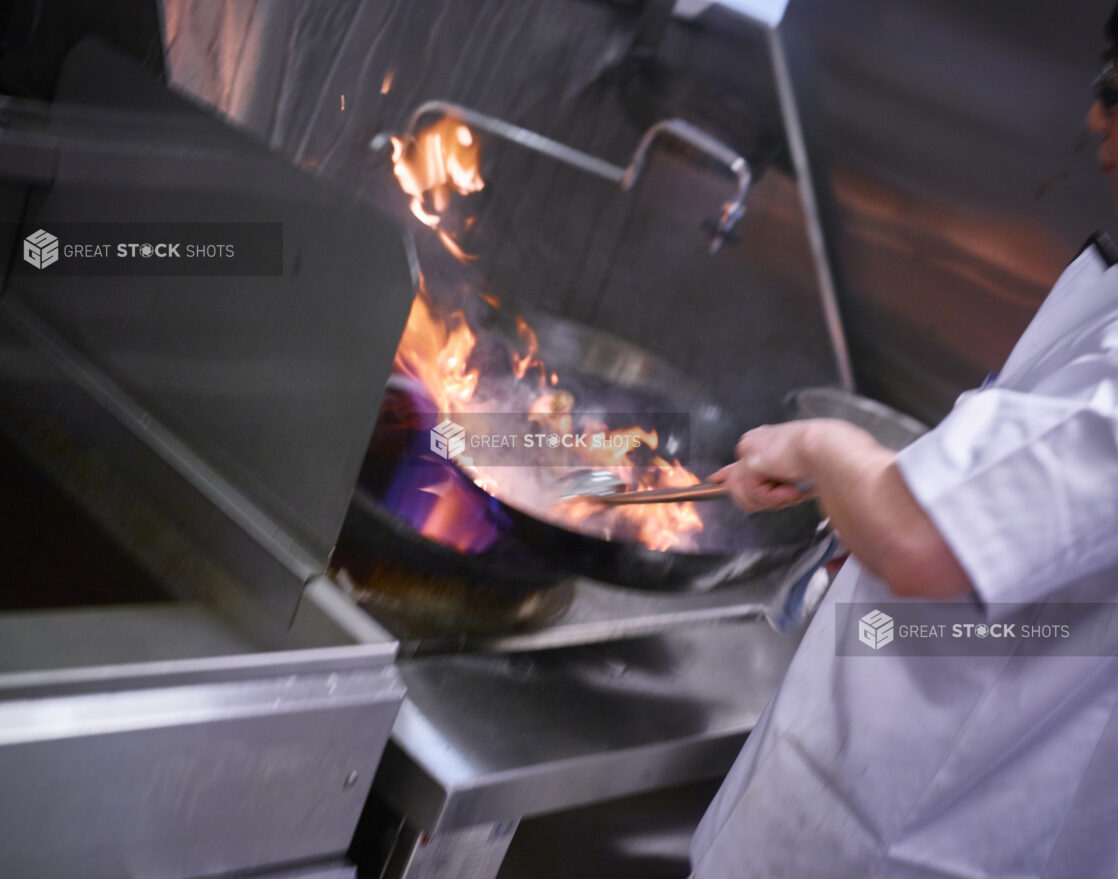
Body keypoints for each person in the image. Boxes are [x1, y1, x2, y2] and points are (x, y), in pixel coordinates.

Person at [689, 9, 1118, 879]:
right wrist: (872, 586)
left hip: (907, 839)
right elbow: (1038, 591)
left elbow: (923, 539)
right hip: (902, 767)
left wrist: (816, 447)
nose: (1094, 120)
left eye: (1113, 93)